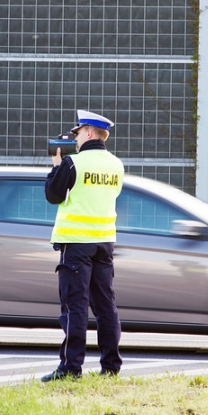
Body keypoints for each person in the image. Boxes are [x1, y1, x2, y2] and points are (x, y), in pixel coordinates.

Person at [41, 109, 124, 382]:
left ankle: (70, 369)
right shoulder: (116, 165)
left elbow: (53, 195)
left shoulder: (74, 164)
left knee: (75, 307)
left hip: (76, 245)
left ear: (89, 132)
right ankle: (111, 367)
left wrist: (56, 165)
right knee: (105, 306)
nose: (74, 140)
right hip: (104, 243)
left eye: (77, 134)